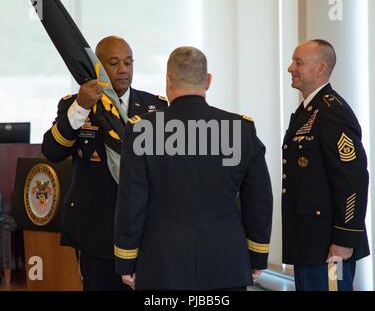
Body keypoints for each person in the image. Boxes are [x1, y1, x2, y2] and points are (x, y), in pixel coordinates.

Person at [114, 46, 273, 290]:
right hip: (226, 262)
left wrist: (126, 260)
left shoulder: (142, 130)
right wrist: (257, 255)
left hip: (161, 263)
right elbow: (259, 199)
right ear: (208, 81)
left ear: (168, 80)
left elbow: (131, 201)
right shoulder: (240, 129)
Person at [42, 36, 168, 291]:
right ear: (98, 67)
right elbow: (52, 151)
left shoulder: (156, 108)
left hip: (143, 230)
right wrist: (81, 107)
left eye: (128, 62)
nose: (123, 69)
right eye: (114, 63)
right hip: (96, 230)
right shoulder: (76, 104)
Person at [282, 39, 370, 291]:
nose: (291, 68)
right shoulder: (308, 111)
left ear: (321, 68)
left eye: (298, 62)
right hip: (309, 243)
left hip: (331, 248)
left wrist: (345, 237)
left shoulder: (332, 112)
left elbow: (353, 179)